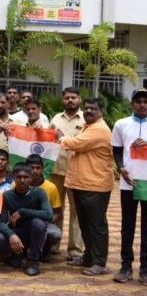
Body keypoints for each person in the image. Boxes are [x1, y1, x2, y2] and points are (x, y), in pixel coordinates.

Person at [58, 98, 113, 276]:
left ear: (101, 111)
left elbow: (76, 144)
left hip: (95, 185)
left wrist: (61, 137)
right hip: (82, 183)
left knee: (96, 226)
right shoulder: (88, 127)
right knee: (85, 224)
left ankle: (99, 263)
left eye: (93, 109)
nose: (88, 111)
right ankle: (89, 257)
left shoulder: (99, 129)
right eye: (87, 109)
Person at [112, 88, 147, 283]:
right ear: (132, 103)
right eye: (138, 101)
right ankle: (126, 266)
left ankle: (145, 268)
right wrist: (121, 168)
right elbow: (116, 150)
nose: (142, 105)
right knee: (127, 225)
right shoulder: (121, 124)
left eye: (145, 101)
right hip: (129, 182)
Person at [0, 163, 53, 276]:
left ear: (31, 178)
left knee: (38, 224)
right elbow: (1, 222)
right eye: (19, 177)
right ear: (13, 178)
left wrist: (22, 211)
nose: (22, 180)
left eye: (26, 177)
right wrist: (11, 234)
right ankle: (15, 254)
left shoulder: (39, 192)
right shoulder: (7, 196)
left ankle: (33, 261)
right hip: (18, 231)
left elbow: (49, 215)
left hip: (34, 231)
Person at [48, 87, 85, 261]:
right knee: (56, 209)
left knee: (77, 213)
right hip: (56, 171)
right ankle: (53, 245)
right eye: (67, 98)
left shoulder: (87, 119)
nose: (70, 100)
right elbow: (47, 140)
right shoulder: (56, 119)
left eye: (73, 97)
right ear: (63, 100)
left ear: (80, 99)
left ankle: (75, 250)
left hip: (77, 172)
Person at [25, 154, 62, 263]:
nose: (35, 171)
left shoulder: (51, 187)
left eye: (38, 168)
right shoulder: (18, 184)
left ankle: (45, 249)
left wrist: (46, 222)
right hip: (23, 222)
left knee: (54, 234)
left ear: (42, 169)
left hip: (44, 222)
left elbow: (58, 214)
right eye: (32, 168)